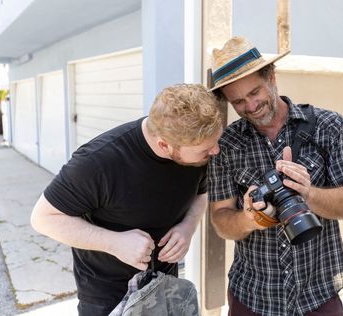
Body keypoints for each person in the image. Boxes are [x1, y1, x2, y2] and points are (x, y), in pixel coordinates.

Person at [30, 83, 223, 316]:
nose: (216, 151)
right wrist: (114, 243)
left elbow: (201, 193)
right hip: (109, 298)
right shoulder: (97, 162)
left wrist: (187, 227)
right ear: (165, 145)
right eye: (206, 149)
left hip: (165, 288)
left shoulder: (196, 152)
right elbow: (42, 218)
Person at [207, 36, 343, 316]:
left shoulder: (328, 126)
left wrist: (307, 193)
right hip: (252, 297)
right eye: (239, 102)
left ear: (272, 77)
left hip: (318, 294)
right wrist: (249, 218)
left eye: (255, 92)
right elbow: (220, 219)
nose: (251, 106)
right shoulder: (226, 145)